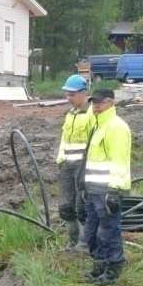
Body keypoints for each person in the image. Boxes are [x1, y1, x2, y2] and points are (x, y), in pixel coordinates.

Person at [82, 88, 132, 286]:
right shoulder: (98, 125)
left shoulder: (116, 127)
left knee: (108, 231)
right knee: (92, 232)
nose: (95, 106)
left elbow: (119, 161)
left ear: (111, 103)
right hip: (93, 189)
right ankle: (100, 264)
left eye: (100, 103)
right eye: (93, 103)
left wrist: (114, 191)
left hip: (107, 190)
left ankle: (113, 268)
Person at [56, 74, 94, 251]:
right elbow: (64, 139)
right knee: (66, 206)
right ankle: (72, 242)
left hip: (82, 166)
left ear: (82, 93)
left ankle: (84, 243)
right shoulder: (70, 115)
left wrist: (88, 166)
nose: (68, 98)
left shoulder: (91, 114)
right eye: (67, 94)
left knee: (82, 206)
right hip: (67, 166)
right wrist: (61, 159)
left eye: (72, 94)